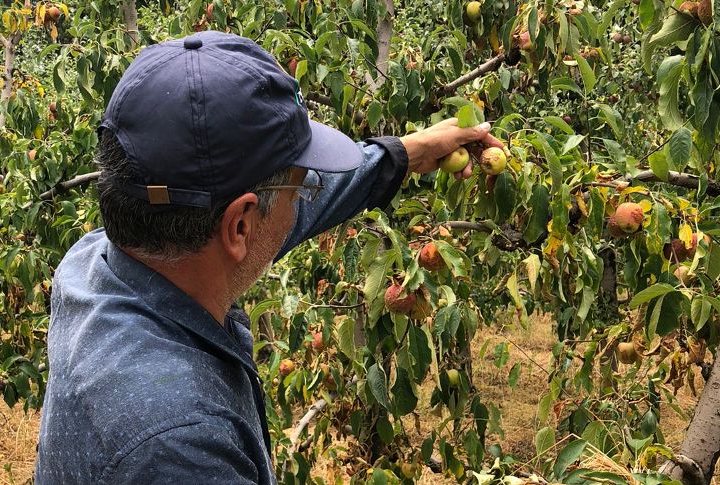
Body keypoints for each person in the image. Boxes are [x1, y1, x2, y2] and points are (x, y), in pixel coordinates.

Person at [35, 31, 497, 484]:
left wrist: (403, 154)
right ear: (240, 224)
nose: (303, 202)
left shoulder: (95, 260)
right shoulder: (183, 446)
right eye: (301, 187)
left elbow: (275, 218)